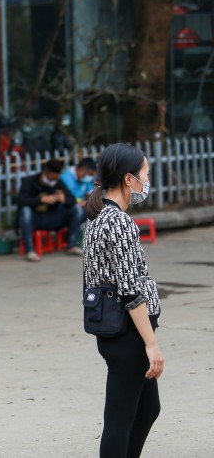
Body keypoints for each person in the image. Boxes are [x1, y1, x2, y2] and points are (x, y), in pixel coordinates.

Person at [83, 143, 163, 457]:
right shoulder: (118, 222)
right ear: (129, 179)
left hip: (118, 330)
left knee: (148, 409)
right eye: (145, 174)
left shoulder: (98, 215)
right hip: (128, 334)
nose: (147, 179)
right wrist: (151, 343)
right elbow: (130, 292)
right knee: (119, 420)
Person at [15, 158, 85, 262]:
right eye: (52, 178)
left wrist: (65, 199)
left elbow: (72, 199)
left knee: (76, 209)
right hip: (34, 219)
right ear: (45, 173)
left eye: (56, 179)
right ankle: (30, 251)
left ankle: (72, 245)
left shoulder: (58, 183)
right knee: (25, 211)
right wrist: (41, 199)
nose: (54, 181)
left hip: (51, 218)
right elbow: (20, 200)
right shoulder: (29, 181)